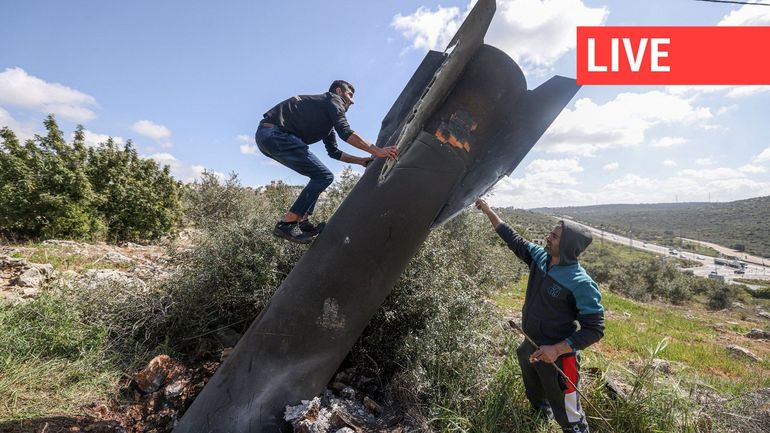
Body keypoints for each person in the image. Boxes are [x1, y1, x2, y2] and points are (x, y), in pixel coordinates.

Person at [475, 198, 604, 433]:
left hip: (560, 360)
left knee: (571, 418)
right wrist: (487, 210)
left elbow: (594, 330)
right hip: (530, 348)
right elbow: (512, 237)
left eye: (554, 236)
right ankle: (539, 421)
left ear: (566, 246)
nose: (548, 237)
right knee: (536, 399)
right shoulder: (540, 258)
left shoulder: (580, 283)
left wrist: (556, 349)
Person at [256, 80, 397, 243]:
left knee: (318, 175)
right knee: (324, 176)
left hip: (267, 138)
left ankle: (302, 221)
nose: (352, 101)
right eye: (350, 95)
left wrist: (360, 161)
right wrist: (377, 150)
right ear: (338, 91)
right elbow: (345, 131)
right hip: (276, 134)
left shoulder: (326, 120)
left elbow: (334, 152)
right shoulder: (332, 99)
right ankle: (288, 223)